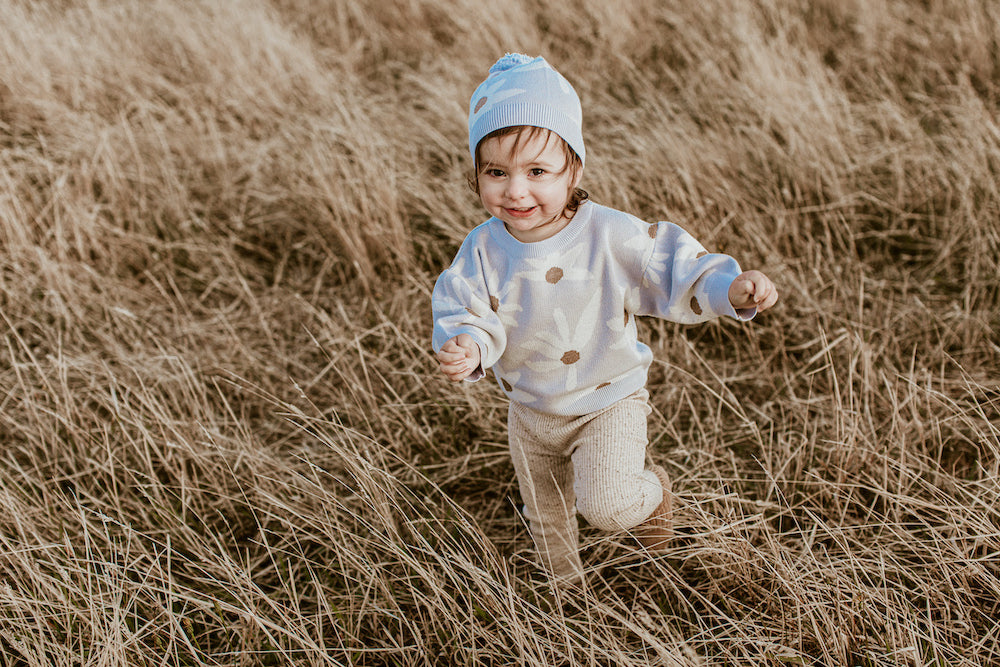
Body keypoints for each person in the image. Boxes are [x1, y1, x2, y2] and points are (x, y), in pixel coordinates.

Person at [431, 53, 778, 586]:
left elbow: (670, 268)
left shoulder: (606, 234)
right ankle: (566, 600)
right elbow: (466, 304)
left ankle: (654, 496)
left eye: (538, 172)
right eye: (496, 172)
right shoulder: (482, 248)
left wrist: (726, 287)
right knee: (547, 520)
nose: (515, 191)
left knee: (608, 507)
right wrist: (470, 344)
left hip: (606, 396)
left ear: (576, 170)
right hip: (530, 408)